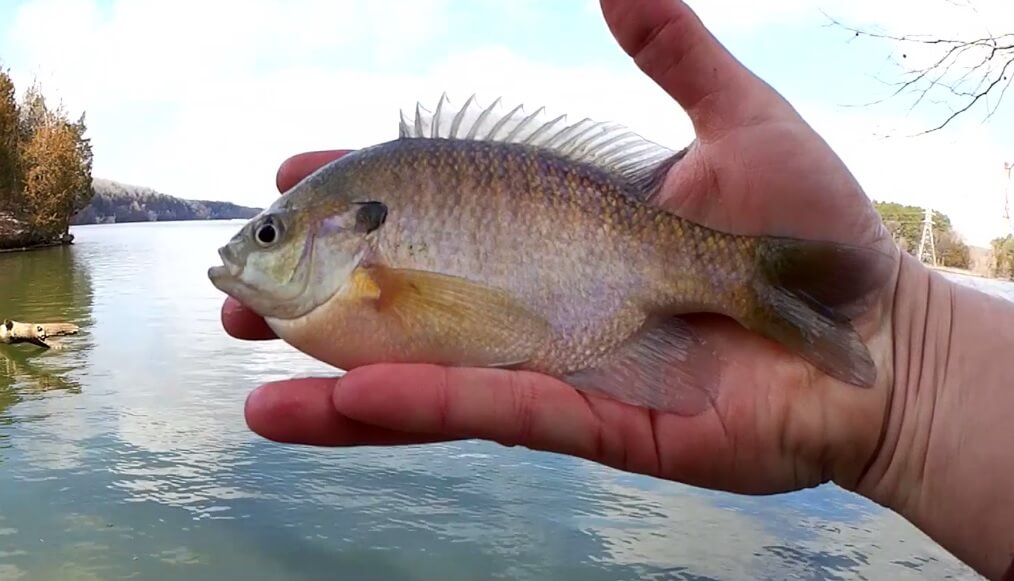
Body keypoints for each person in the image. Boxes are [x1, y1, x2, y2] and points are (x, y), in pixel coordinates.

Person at [219, 1, 1014, 579]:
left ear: (345, 234)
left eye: (268, 235)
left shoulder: (364, 266)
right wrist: (914, 387)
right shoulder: (340, 269)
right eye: (267, 232)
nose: (251, 252)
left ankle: (770, 282)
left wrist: (910, 357)